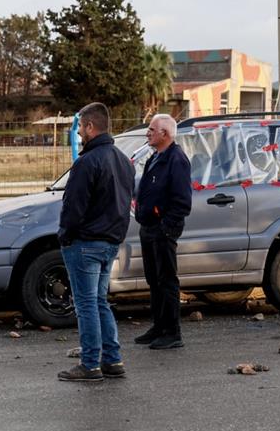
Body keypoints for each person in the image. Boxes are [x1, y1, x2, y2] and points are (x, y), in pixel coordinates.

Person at [57, 103, 135, 382]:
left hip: (85, 243)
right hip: (111, 242)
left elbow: (73, 208)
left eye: (80, 128)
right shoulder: (123, 161)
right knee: (99, 301)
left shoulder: (87, 162)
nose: (78, 133)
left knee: (86, 304)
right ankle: (112, 359)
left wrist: (65, 235)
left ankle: (90, 364)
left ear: (91, 126)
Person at [133, 114, 192, 349]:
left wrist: (166, 227)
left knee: (167, 280)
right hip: (148, 228)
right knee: (154, 280)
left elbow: (182, 202)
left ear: (165, 134)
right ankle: (158, 326)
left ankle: (172, 331)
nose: (147, 133)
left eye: (151, 129)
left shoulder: (177, 160)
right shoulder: (155, 157)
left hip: (163, 230)